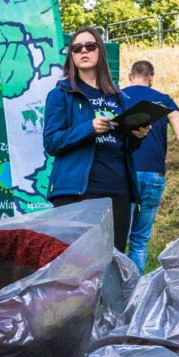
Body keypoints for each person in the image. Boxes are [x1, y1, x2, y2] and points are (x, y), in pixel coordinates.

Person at [43, 27, 149, 252]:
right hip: (77, 193)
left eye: (90, 46)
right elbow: (52, 142)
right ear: (71, 55)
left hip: (119, 192)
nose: (83, 51)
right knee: (74, 268)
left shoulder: (121, 98)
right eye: (77, 47)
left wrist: (138, 136)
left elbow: (125, 146)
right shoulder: (60, 94)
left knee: (112, 266)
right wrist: (89, 128)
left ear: (100, 51)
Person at [122, 60, 179, 272]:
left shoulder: (118, 97)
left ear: (130, 77)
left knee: (119, 239)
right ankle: (135, 294)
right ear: (151, 78)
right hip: (154, 175)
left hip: (124, 174)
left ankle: (117, 294)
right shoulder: (163, 100)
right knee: (139, 239)